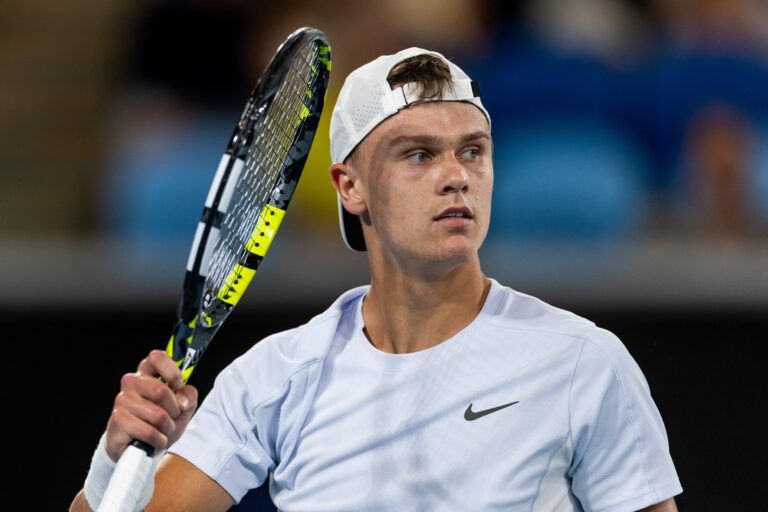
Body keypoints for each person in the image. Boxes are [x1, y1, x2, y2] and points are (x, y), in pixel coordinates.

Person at [70, 47, 682, 512]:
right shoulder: (277, 376)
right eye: (418, 155)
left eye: (473, 151)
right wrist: (114, 461)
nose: (456, 176)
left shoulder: (583, 362)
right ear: (350, 186)